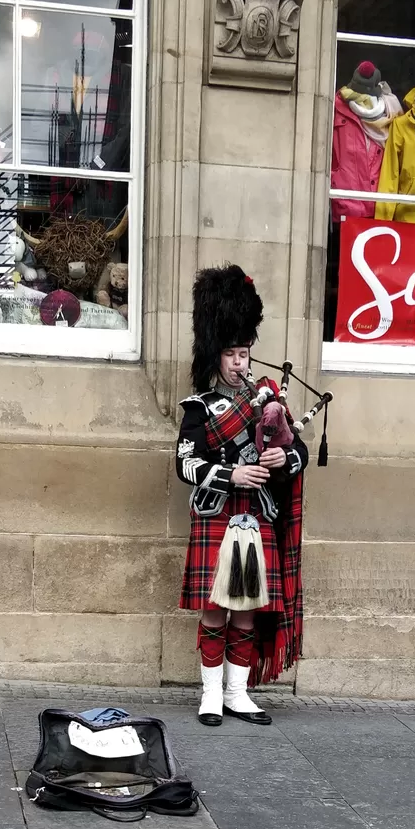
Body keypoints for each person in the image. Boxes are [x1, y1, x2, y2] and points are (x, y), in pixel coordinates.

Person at [176, 265, 308, 726]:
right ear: (215, 356)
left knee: (248, 612)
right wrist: (231, 474)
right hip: (218, 514)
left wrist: (283, 458)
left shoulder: (270, 402)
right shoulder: (198, 409)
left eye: (244, 353)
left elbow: (300, 452)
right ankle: (211, 695)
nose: (238, 362)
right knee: (215, 611)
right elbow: (185, 465)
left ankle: (237, 693)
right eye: (230, 354)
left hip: (258, 516)